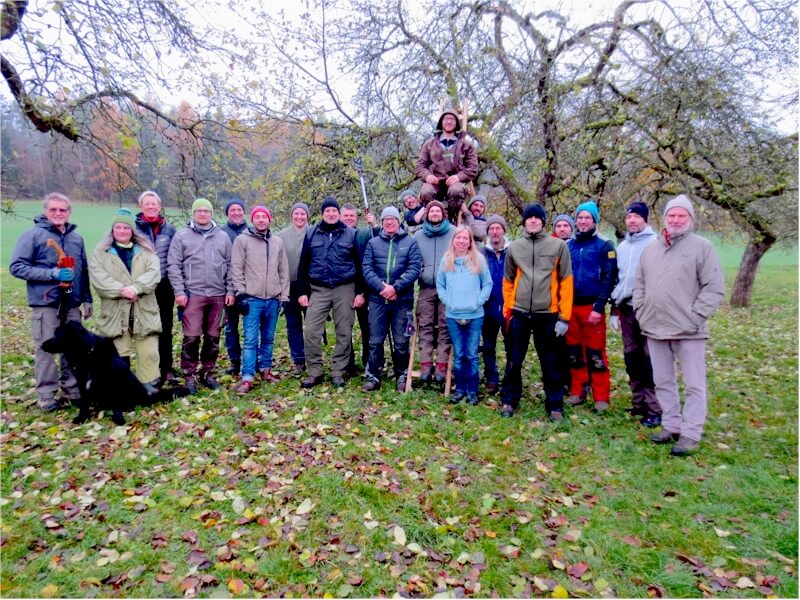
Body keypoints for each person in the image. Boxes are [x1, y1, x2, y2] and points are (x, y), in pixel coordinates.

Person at [633, 195, 724, 456]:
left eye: (681, 215)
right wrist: (641, 309)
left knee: (694, 384)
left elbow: (714, 288)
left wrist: (695, 317)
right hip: (655, 327)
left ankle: (691, 433)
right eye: (671, 215)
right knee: (662, 381)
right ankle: (671, 425)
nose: (675, 219)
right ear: (664, 219)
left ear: (690, 219)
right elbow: (639, 284)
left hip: (689, 331)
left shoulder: (701, 247)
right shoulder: (652, 248)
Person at [9, 192, 92, 412]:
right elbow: (16, 266)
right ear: (46, 211)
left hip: (71, 303)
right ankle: (46, 394)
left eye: (62, 210)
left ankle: (71, 388)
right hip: (46, 303)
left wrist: (87, 298)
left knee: (73, 348)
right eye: (53, 209)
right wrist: (52, 274)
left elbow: (83, 271)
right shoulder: (33, 235)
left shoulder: (76, 238)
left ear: (69, 212)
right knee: (46, 348)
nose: (57, 213)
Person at [500, 204, 573, 421]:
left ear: (543, 221)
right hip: (520, 313)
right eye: (528, 218)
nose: (532, 221)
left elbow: (566, 282)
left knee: (551, 362)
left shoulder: (558, 246)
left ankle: (555, 405)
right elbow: (508, 282)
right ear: (524, 222)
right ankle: (509, 400)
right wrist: (508, 310)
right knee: (514, 360)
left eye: (536, 218)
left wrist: (564, 316)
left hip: (548, 313)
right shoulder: (514, 248)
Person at [89, 208, 162, 393]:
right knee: (118, 351)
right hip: (115, 311)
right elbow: (99, 279)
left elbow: (154, 274)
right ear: (112, 230)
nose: (122, 231)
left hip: (143, 309)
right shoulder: (101, 253)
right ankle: (120, 387)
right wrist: (124, 291)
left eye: (126, 228)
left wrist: (136, 288)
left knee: (148, 350)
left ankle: (147, 385)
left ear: (132, 231)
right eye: (118, 227)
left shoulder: (146, 252)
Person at [167, 198, 234, 393]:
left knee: (213, 337)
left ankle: (208, 372)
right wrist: (179, 291)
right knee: (192, 336)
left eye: (206, 211)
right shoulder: (182, 236)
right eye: (199, 211)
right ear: (193, 213)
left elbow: (231, 266)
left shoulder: (222, 237)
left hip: (218, 295)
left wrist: (230, 290)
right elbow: (174, 265)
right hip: (192, 294)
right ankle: (189, 374)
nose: (203, 214)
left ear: (212, 214)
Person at [297, 196, 365, 388]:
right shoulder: (311, 233)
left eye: (334, 210)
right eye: (328, 211)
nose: (331, 213)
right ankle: (314, 371)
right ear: (322, 213)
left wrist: (360, 292)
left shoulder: (351, 234)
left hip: (345, 287)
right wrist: (302, 292)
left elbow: (360, 265)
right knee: (311, 330)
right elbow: (303, 264)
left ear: (338, 213)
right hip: (318, 288)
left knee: (344, 330)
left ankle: (339, 371)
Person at [610, 201, 661, 427]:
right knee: (632, 357)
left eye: (636, 217)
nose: (632, 221)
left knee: (650, 358)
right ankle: (638, 402)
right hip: (625, 309)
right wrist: (613, 309)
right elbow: (617, 279)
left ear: (645, 219)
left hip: (649, 310)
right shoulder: (622, 248)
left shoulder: (656, 244)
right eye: (629, 217)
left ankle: (655, 408)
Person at [565, 201, 618, 414]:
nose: (583, 221)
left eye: (588, 217)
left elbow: (609, 278)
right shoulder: (569, 245)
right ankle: (578, 391)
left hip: (592, 307)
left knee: (596, 353)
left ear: (594, 220)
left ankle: (601, 396)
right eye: (580, 217)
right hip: (571, 308)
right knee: (574, 353)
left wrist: (599, 306)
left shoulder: (605, 245)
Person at [230, 206, 290, 394]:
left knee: (268, 338)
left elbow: (283, 270)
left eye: (265, 217)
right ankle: (247, 376)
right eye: (258, 217)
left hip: (272, 298)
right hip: (252, 299)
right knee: (250, 339)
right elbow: (236, 268)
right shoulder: (242, 241)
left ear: (269, 219)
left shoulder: (277, 242)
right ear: (253, 219)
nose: (262, 220)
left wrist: (284, 295)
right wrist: (240, 294)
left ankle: (265, 369)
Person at [362, 207, 422, 392]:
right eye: (386, 219)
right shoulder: (373, 243)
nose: (389, 222)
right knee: (375, 340)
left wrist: (395, 288)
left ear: (398, 221)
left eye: (393, 219)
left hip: (402, 301)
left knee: (401, 340)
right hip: (378, 300)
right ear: (382, 222)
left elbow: (414, 268)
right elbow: (367, 268)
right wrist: (382, 289)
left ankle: (402, 374)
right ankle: (373, 375)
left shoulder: (410, 243)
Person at [436, 226, 492, 405]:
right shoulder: (447, 260)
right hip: (453, 314)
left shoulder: (478, 260)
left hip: (475, 315)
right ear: (453, 240)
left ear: (470, 242)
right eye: (458, 238)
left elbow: (487, 284)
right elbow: (440, 285)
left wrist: (479, 301)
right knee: (459, 354)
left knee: (472, 354)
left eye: (465, 238)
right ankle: (460, 389)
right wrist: (447, 301)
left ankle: (472, 391)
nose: (461, 241)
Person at [135, 190, 178, 385]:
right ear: (141, 206)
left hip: (164, 284)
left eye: (154, 204)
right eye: (147, 204)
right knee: (145, 329)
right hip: (142, 286)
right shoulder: (133, 229)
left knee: (165, 327)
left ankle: (167, 368)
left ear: (160, 207)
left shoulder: (169, 229)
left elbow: (176, 257)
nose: (151, 207)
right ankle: (150, 371)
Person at [413, 200, 454, 385]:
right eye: (432, 211)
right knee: (425, 325)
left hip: (448, 287)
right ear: (427, 214)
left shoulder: (454, 232)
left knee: (445, 326)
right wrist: (421, 272)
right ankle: (425, 363)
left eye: (438, 211)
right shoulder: (418, 235)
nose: (435, 213)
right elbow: (413, 259)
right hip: (426, 286)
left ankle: (442, 365)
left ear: (443, 214)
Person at [416, 108, 479, 223]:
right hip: (436, 183)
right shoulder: (429, 144)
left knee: (456, 191)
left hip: (455, 183)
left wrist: (459, 177)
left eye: (452, 119)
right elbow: (420, 166)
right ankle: (431, 221)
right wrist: (427, 176)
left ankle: (449, 219)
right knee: (426, 192)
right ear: (441, 122)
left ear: (456, 123)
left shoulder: (466, 145)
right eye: (446, 119)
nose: (449, 122)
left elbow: (473, 168)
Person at [341, 203, 378, 374]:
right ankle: (347, 363)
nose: (349, 218)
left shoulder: (363, 235)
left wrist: (374, 225)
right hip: (342, 288)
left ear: (357, 218)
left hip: (362, 287)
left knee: (367, 326)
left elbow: (379, 242)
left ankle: (368, 361)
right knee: (344, 327)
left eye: (352, 216)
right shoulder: (336, 235)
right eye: (346, 215)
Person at [276, 202, 311, 376]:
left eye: (303, 214)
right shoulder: (281, 236)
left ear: (307, 216)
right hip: (289, 286)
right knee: (293, 324)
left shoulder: (313, 233)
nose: (299, 217)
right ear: (292, 216)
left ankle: (312, 357)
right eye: (296, 214)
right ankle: (298, 359)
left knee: (312, 325)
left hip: (309, 286)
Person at [480, 214, 509, 394]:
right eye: (492, 229)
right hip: (487, 306)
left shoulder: (513, 252)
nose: (495, 232)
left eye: (498, 228)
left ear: (504, 231)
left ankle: (510, 378)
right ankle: (491, 378)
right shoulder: (481, 253)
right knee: (488, 346)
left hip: (509, 307)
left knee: (511, 346)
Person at [220, 198, 248, 375]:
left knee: (250, 326)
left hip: (249, 287)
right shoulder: (221, 233)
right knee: (231, 327)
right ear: (227, 214)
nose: (236, 213)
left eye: (239, 209)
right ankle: (234, 360)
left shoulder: (251, 232)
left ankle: (251, 360)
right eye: (232, 210)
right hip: (227, 287)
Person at [551, 213, 576, 394]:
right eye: (558, 226)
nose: (562, 229)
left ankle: (577, 381)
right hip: (553, 302)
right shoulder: (549, 247)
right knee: (556, 344)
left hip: (576, 300)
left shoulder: (576, 246)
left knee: (574, 345)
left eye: (565, 226)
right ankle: (558, 379)